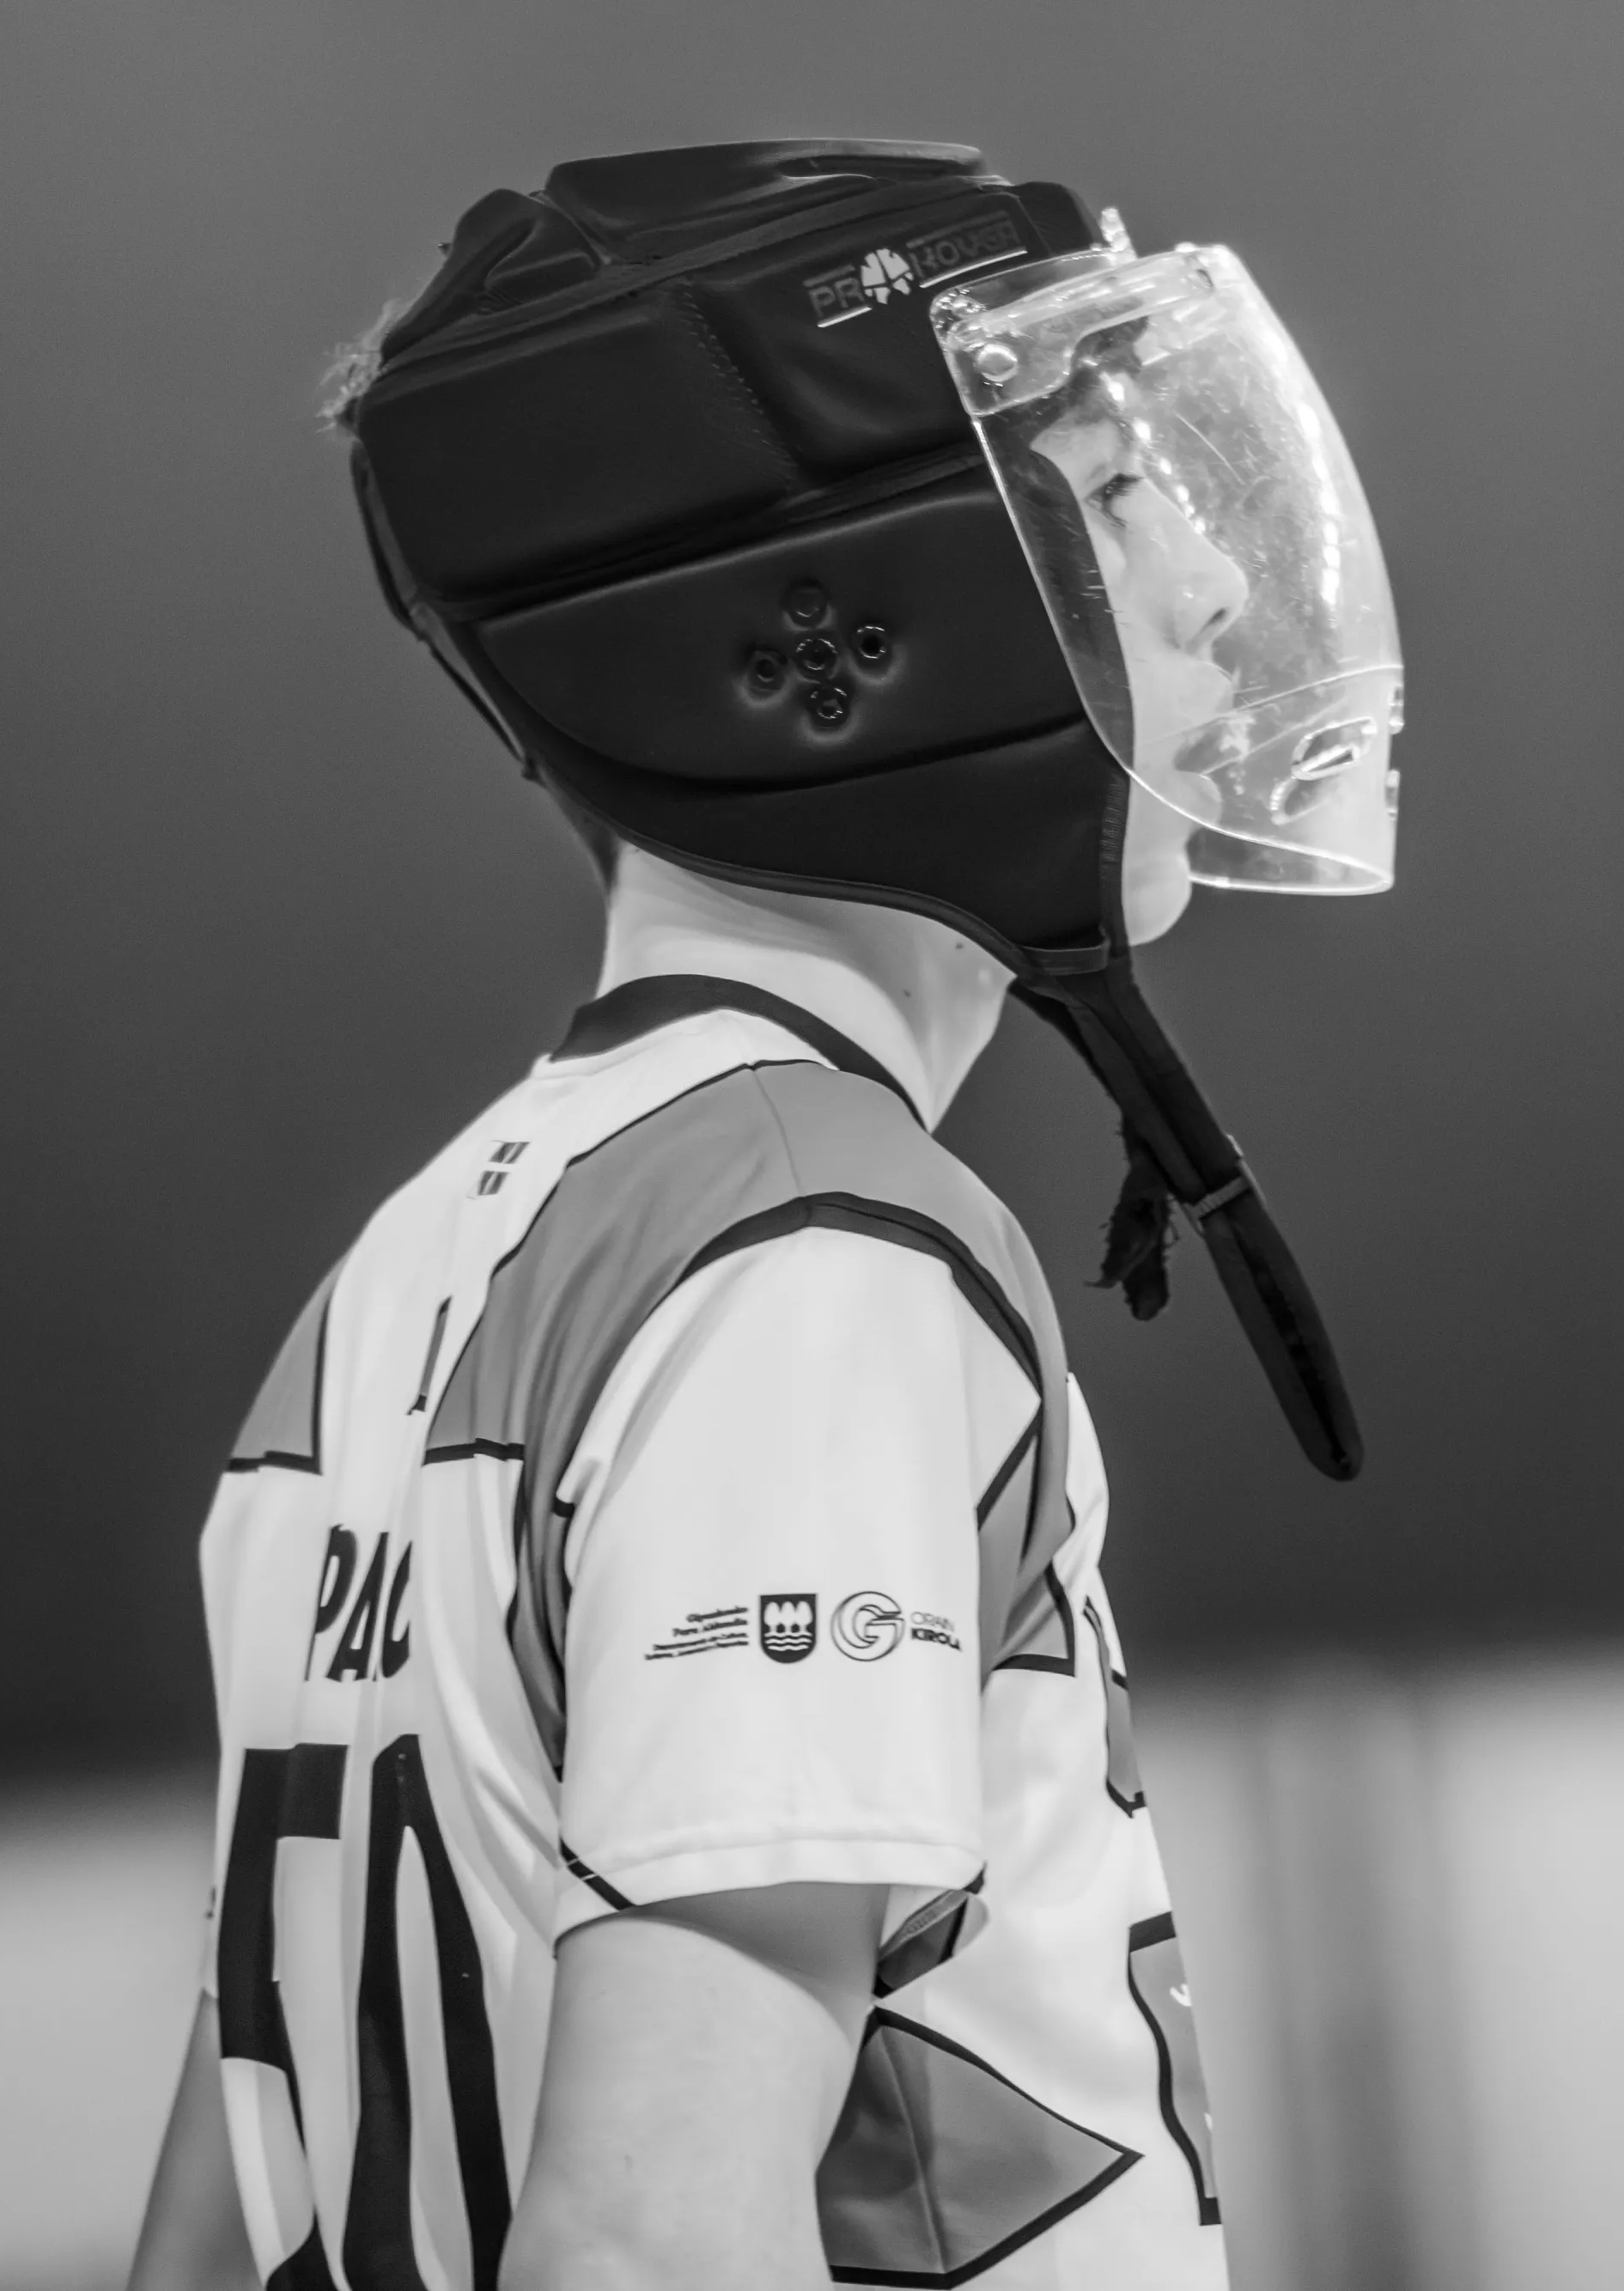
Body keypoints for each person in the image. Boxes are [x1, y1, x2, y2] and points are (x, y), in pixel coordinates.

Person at [132, 141, 1402, 2289]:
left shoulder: (400, 1281)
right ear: (846, 617)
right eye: (1113, 496)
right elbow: (648, 2242)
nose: (1203, 588)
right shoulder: (809, 1254)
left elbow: (216, 2224)